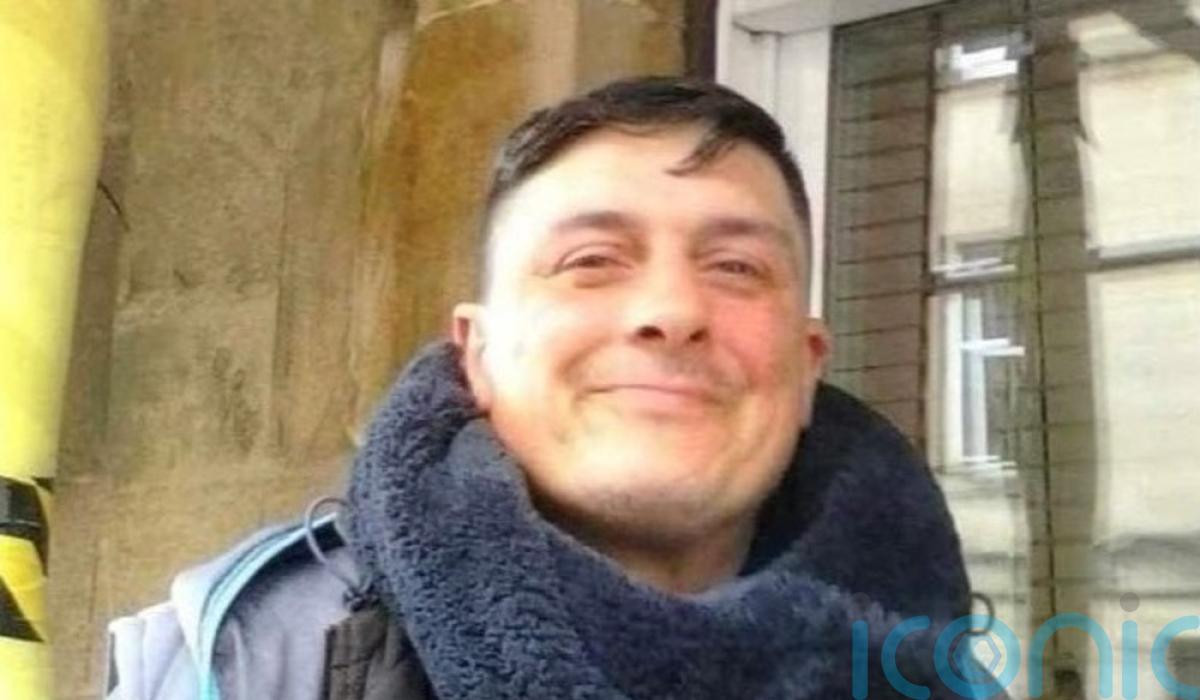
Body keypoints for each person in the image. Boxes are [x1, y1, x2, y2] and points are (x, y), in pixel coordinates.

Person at [106, 76, 996, 700]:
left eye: (735, 267)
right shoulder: (254, 659)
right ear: (477, 354)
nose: (670, 311)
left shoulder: (942, 676)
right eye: (591, 261)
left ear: (808, 365)